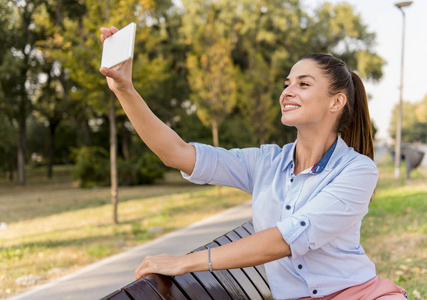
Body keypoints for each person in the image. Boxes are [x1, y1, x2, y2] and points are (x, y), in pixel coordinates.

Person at [99, 26, 406, 299]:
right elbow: (178, 153)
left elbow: (290, 237)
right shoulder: (265, 162)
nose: (287, 92)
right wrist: (125, 90)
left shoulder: (357, 169)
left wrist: (185, 262)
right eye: (287, 83)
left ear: (336, 102)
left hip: (359, 293)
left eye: (303, 84)